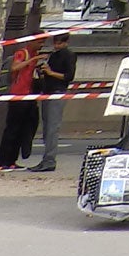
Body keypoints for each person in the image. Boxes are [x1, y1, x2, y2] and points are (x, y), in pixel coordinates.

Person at [26, 32, 75, 173]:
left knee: (53, 128)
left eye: (59, 42)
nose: (56, 45)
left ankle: (50, 160)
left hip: (57, 92)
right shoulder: (53, 55)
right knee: (47, 128)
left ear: (65, 42)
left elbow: (68, 76)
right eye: (55, 42)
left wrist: (50, 72)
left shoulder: (68, 55)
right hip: (47, 91)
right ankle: (47, 158)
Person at [0, 39, 41, 172]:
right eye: (39, 42)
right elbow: (15, 67)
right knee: (12, 129)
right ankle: (1, 162)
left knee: (22, 130)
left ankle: (12, 160)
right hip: (17, 95)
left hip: (28, 95)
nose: (41, 45)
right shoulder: (22, 53)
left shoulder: (35, 55)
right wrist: (32, 60)